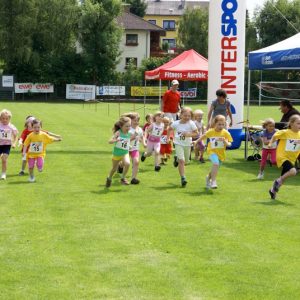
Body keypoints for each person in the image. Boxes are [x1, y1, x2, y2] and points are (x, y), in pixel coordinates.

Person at [196, 115, 233, 189]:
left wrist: (226, 142)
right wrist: (196, 141)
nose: (221, 126)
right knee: (215, 163)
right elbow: (203, 136)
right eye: (219, 124)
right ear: (215, 123)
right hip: (211, 152)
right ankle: (213, 181)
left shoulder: (226, 133)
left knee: (215, 168)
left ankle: (208, 178)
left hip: (221, 154)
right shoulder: (211, 131)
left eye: (223, 124)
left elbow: (230, 144)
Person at [268, 115, 300, 200]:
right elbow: (275, 136)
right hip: (282, 157)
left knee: (283, 178)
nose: (299, 125)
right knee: (293, 171)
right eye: (298, 123)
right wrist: (271, 143)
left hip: (291, 159)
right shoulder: (285, 132)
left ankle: (272, 191)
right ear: (291, 124)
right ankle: (277, 181)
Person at [167, 107, 198, 187]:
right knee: (182, 161)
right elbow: (169, 129)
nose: (187, 117)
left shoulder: (191, 123)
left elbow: (196, 133)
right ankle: (183, 178)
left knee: (186, 162)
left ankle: (176, 158)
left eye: (189, 116)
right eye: (185, 115)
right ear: (180, 115)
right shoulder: (176, 123)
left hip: (187, 144)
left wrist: (189, 135)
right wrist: (168, 138)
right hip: (178, 143)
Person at [105, 116, 133, 188]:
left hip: (125, 152)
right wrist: (115, 140)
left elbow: (126, 141)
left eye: (130, 126)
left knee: (127, 163)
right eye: (126, 126)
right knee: (114, 169)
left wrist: (129, 145)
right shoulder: (118, 133)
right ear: (121, 126)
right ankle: (109, 178)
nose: (128, 128)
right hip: (117, 154)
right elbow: (110, 141)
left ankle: (123, 178)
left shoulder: (129, 133)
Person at [126, 112, 146, 184]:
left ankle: (133, 178)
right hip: (126, 149)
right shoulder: (127, 129)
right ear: (130, 121)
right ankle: (120, 166)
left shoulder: (139, 129)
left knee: (136, 162)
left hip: (135, 149)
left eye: (137, 120)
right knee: (125, 163)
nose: (136, 122)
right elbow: (125, 140)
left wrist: (144, 143)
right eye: (134, 120)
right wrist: (133, 137)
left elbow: (142, 136)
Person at [0, 109, 18, 180]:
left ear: (9, 119)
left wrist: (14, 143)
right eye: (3, 118)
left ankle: (3, 174)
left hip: (7, 145)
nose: (4, 120)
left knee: (4, 159)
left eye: (6, 119)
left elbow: (16, 135)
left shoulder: (11, 127)